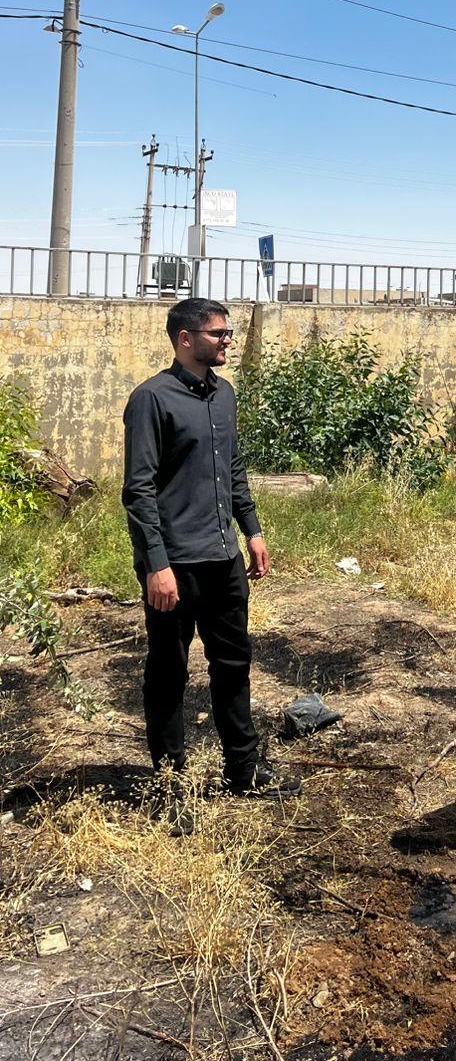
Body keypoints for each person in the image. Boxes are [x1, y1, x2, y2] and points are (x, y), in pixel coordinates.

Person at [123, 297, 294, 823]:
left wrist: (253, 531)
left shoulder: (224, 395)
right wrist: (156, 565)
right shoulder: (151, 399)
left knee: (234, 665)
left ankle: (243, 769)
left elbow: (232, 469)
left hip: (223, 558)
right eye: (218, 333)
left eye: (228, 332)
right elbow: (138, 490)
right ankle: (169, 785)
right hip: (175, 566)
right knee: (168, 673)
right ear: (185, 338)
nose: (227, 340)